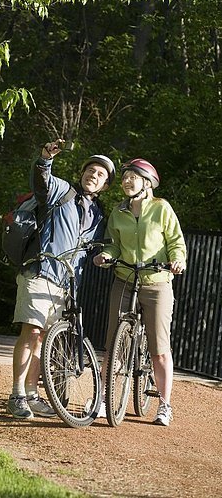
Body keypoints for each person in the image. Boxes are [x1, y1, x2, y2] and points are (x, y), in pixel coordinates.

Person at [6, 140, 115, 420]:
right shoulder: (63, 191)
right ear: (82, 174)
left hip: (65, 283)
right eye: (91, 170)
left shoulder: (99, 215)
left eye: (100, 174)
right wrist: (45, 158)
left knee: (43, 338)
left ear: (105, 186)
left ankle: (32, 393)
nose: (94, 175)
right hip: (40, 270)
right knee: (30, 332)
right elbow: (41, 181)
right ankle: (17, 394)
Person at [93, 158, 186, 426]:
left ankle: (165, 405)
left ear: (147, 183)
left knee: (159, 348)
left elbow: (176, 242)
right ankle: (102, 400)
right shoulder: (117, 212)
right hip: (124, 278)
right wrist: (105, 256)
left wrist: (177, 260)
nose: (126, 181)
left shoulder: (161, 209)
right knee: (113, 345)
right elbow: (113, 245)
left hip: (157, 282)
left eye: (132, 177)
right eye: (124, 177)